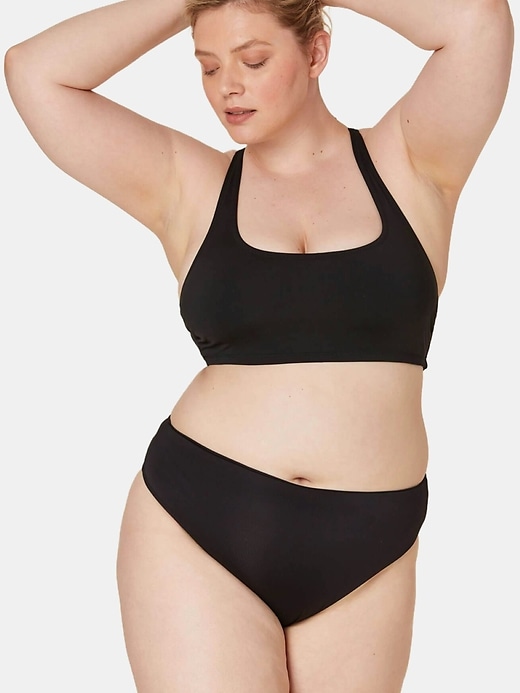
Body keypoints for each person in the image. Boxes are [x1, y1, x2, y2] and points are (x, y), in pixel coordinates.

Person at [4, 0, 514, 690]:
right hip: (200, 523)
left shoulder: (411, 158)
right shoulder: (189, 183)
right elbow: (34, 72)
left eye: (252, 60)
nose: (228, 87)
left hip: (369, 542)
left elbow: (477, 23)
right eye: (208, 67)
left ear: (316, 52)